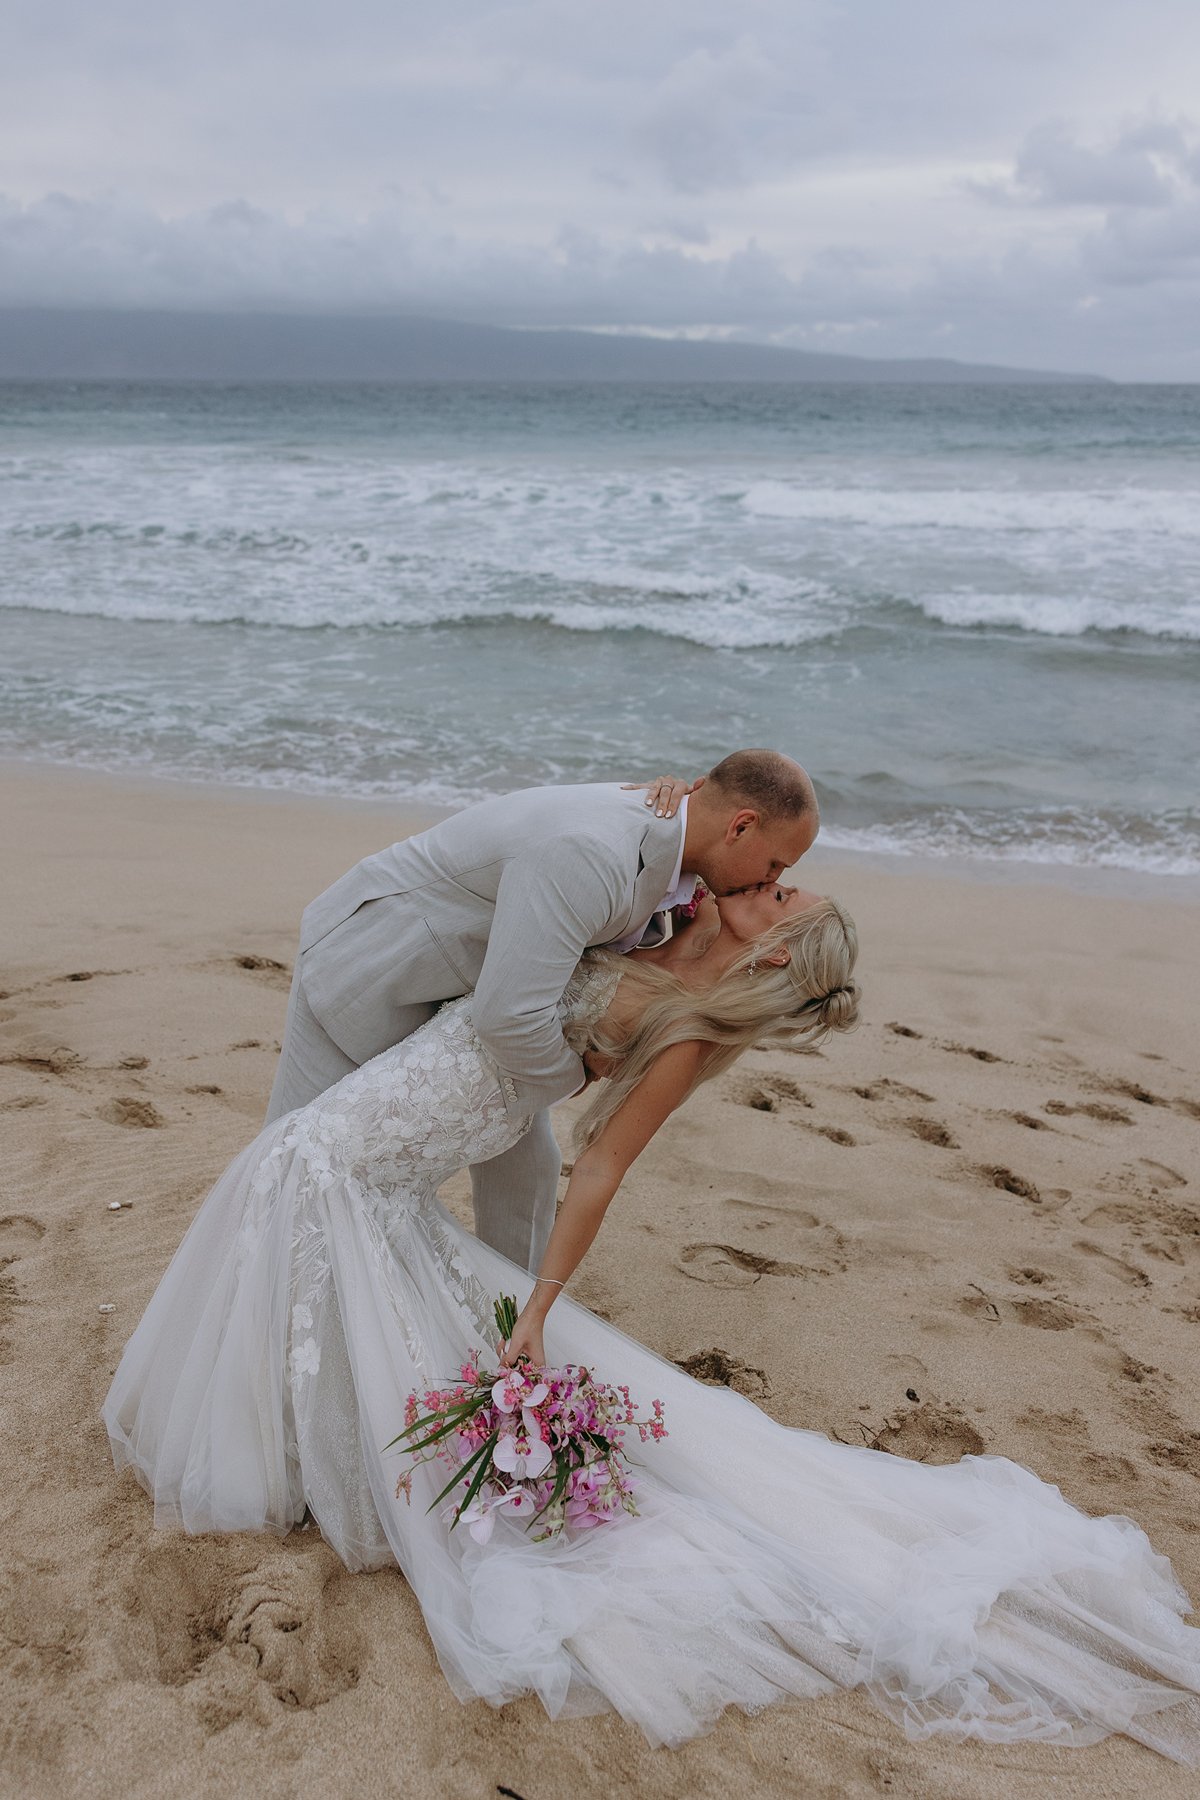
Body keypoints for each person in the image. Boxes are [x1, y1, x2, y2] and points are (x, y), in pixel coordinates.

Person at [103, 877, 1200, 1762]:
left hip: (385, 1147)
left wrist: (539, 1307)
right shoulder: (662, 913)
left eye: (779, 898)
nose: (763, 885)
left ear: (773, 955)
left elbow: (601, 1168)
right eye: (772, 875)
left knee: (317, 1215)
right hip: (383, 1134)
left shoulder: (688, 1033)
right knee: (307, 1225)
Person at [265, 750, 819, 1271]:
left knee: (527, 1164)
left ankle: (509, 1316)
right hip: (369, 972)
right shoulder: (594, 851)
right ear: (740, 826)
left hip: (462, 998)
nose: (773, 880)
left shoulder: (676, 848)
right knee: (290, 1175)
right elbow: (510, 1019)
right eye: (775, 863)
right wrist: (572, 1077)